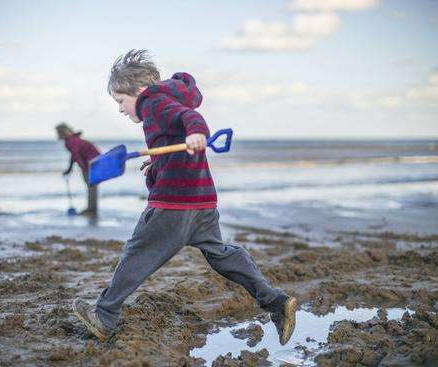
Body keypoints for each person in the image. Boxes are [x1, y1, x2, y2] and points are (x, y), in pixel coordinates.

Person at [72, 50, 298, 345]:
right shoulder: (166, 100)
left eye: (120, 101)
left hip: (173, 205)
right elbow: (176, 135)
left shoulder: (152, 102)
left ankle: (104, 315)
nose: (121, 109)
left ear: (138, 91)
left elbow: (190, 118)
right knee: (222, 255)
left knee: (137, 254)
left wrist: (196, 133)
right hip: (202, 202)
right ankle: (276, 301)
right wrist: (159, 163)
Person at [55, 122, 100, 216]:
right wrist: (69, 169)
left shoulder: (71, 141)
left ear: (62, 132)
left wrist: (84, 168)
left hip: (92, 164)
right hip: (91, 163)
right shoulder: (72, 140)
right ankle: (91, 209)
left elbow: (75, 154)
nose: (57, 134)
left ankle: (92, 210)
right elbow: (74, 156)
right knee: (91, 187)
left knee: (91, 187)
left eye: (58, 132)